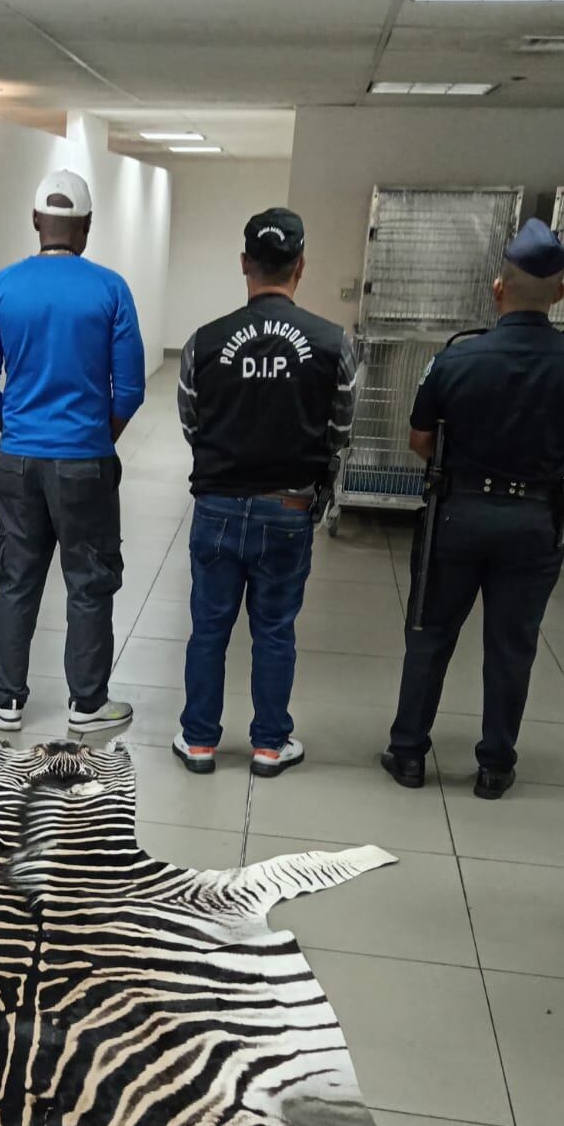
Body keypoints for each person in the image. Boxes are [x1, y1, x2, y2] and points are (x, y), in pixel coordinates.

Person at [382, 218, 564, 800]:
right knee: (512, 647)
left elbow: (420, 440)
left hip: (457, 515)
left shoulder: (457, 358)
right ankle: (494, 766)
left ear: (497, 287)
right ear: (561, 292)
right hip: (534, 520)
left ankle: (408, 754)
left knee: (430, 634)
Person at [172, 208, 356, 777]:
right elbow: (340, 430)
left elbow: (192, 423)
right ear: (301, 266)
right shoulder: (333, 343)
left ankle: (199, 742)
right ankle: (270, 744)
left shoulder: (203, 343)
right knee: (274, 630)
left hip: (218, 506)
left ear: (244, 263)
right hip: (289, 508)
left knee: (209, 628)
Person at [0, 168, 146, 736]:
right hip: (86, 462)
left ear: (35, 221)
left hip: (17, 462)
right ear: (86, 226)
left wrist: (16, 427)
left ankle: (7, 700)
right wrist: (96, 437)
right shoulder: (111, 290)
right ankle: (87, 705)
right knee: (88, 582)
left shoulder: (1, 288)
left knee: (17, 578)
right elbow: (130, 389)